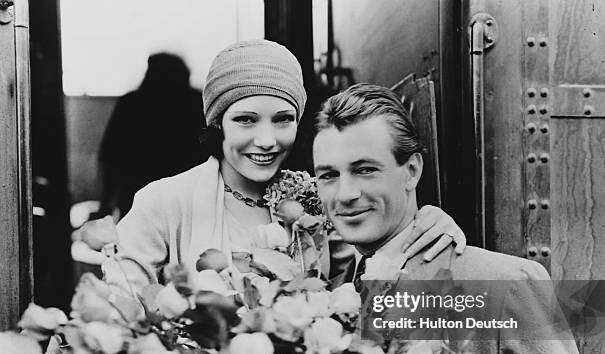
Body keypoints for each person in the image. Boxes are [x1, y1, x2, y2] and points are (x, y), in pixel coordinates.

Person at [312, 83, 605, 354]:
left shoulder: (507, 284)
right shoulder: (326, 301)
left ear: (412, 170)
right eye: (328, 176)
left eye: (365, 170)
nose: (345, 194)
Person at [105, 40, 466, 295]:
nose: (267, 140)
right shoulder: (164, 203)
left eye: (283, 119)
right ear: (217, 125)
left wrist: (423, 223)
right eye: (246, 120)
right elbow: (118, 313)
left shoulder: (319, 197)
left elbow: (366, 274)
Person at [98, 53, 204, 219]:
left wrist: (105, 202)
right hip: (185, 194)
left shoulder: (132, 103)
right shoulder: (196, 102)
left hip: (137, 191)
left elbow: (111, 156)